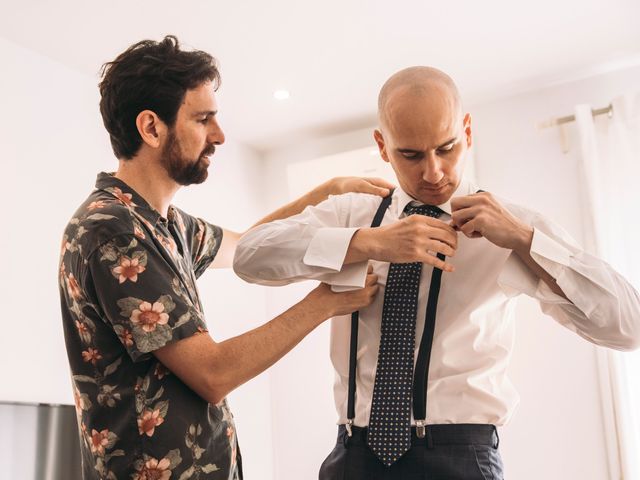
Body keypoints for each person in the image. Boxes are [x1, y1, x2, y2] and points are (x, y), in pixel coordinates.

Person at [233, 66, 640, 479]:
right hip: (353, 456)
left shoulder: (511, 225)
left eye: (446, 148)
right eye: (411, 155)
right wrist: (368, 243)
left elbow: (629, 326)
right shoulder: (351, 213)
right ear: (382, 145)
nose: (433, 172)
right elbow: (248, 256)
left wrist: (522, 238)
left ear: (467, 131)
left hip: (461, 458)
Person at [58, 35, 393, 480]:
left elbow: (248, 246)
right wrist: (326, 301)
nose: (219, 136)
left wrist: (321, 195)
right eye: (203, 120)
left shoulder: (165, 224)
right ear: (151, 128)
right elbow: (214, 374)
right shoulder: (114, 231)